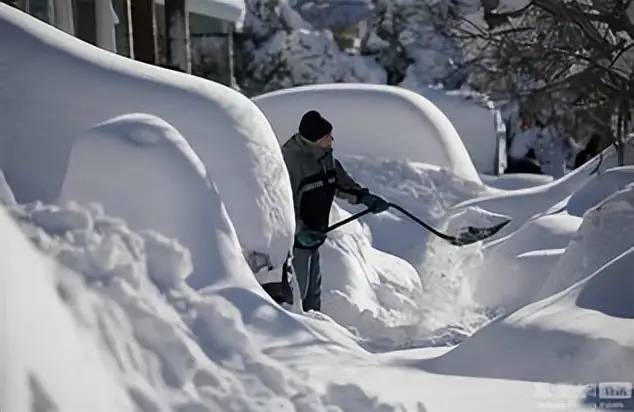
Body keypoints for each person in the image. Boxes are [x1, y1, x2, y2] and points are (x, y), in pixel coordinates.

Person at [281, 110, 388, 312]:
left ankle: (315, 333)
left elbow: (341, 183)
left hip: (315, 237)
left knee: (312, 299)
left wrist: (365, 198)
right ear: (314, 139)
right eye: (327, 137)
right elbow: (281, 202)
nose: (332, 139)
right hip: (295, 243)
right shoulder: (291, 161)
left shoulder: (325, 158)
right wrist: (299, 230)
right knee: (296, 298)